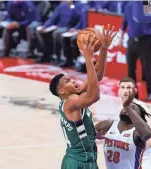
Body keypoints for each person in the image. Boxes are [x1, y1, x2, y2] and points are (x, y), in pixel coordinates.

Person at [49, 26, 116, 169]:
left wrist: (104, 48)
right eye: (67, 81)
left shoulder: (75, 95)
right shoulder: (70, 102)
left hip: (88, 159)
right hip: (77, 162)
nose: (73, 81)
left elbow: (97, 76)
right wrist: (88, 60)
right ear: (62, 91)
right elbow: (94, 96)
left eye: (70, 79)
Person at [117, 77, 151, 169]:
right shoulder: (121, 108)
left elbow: (150, 139)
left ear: (135, 91)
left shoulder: (141, 108)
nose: (125, 91)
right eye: (122, 87)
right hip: (136, 154)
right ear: (118, 90)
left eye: (129, 88)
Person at [95, 90, 151, 169]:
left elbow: (147, 134)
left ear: (138, 116)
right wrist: (93, 136)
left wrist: (127, 107)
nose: (128, 109)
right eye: (126, 106)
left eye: (133, 108)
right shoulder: (108, 125)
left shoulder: (136, 132)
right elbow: (84, 137)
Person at [119, 2, 151, 101]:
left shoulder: (149, 6)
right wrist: (120, 39)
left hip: (145, 41)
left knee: (146, 69)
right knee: (131, 70)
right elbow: (124, 24)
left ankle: (150, 91)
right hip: (132, 41)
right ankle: (132, 93)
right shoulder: (128, 6)